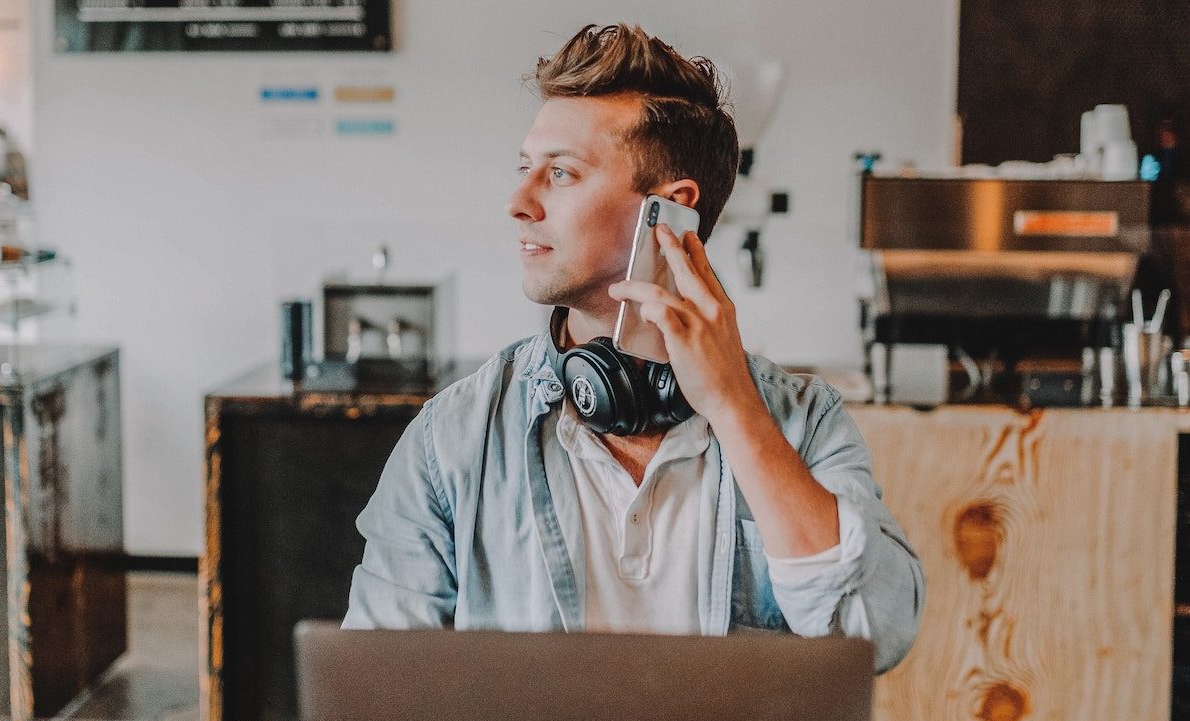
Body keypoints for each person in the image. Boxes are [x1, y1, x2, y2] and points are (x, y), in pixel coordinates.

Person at [343, 23, 923, 672]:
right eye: (524, 169)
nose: (518, 202)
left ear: (670, 211)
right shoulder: (453, 438)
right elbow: (380, 683)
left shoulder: (803, 423)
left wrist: (735, 410)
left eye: (560, 173)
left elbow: (876, 635)